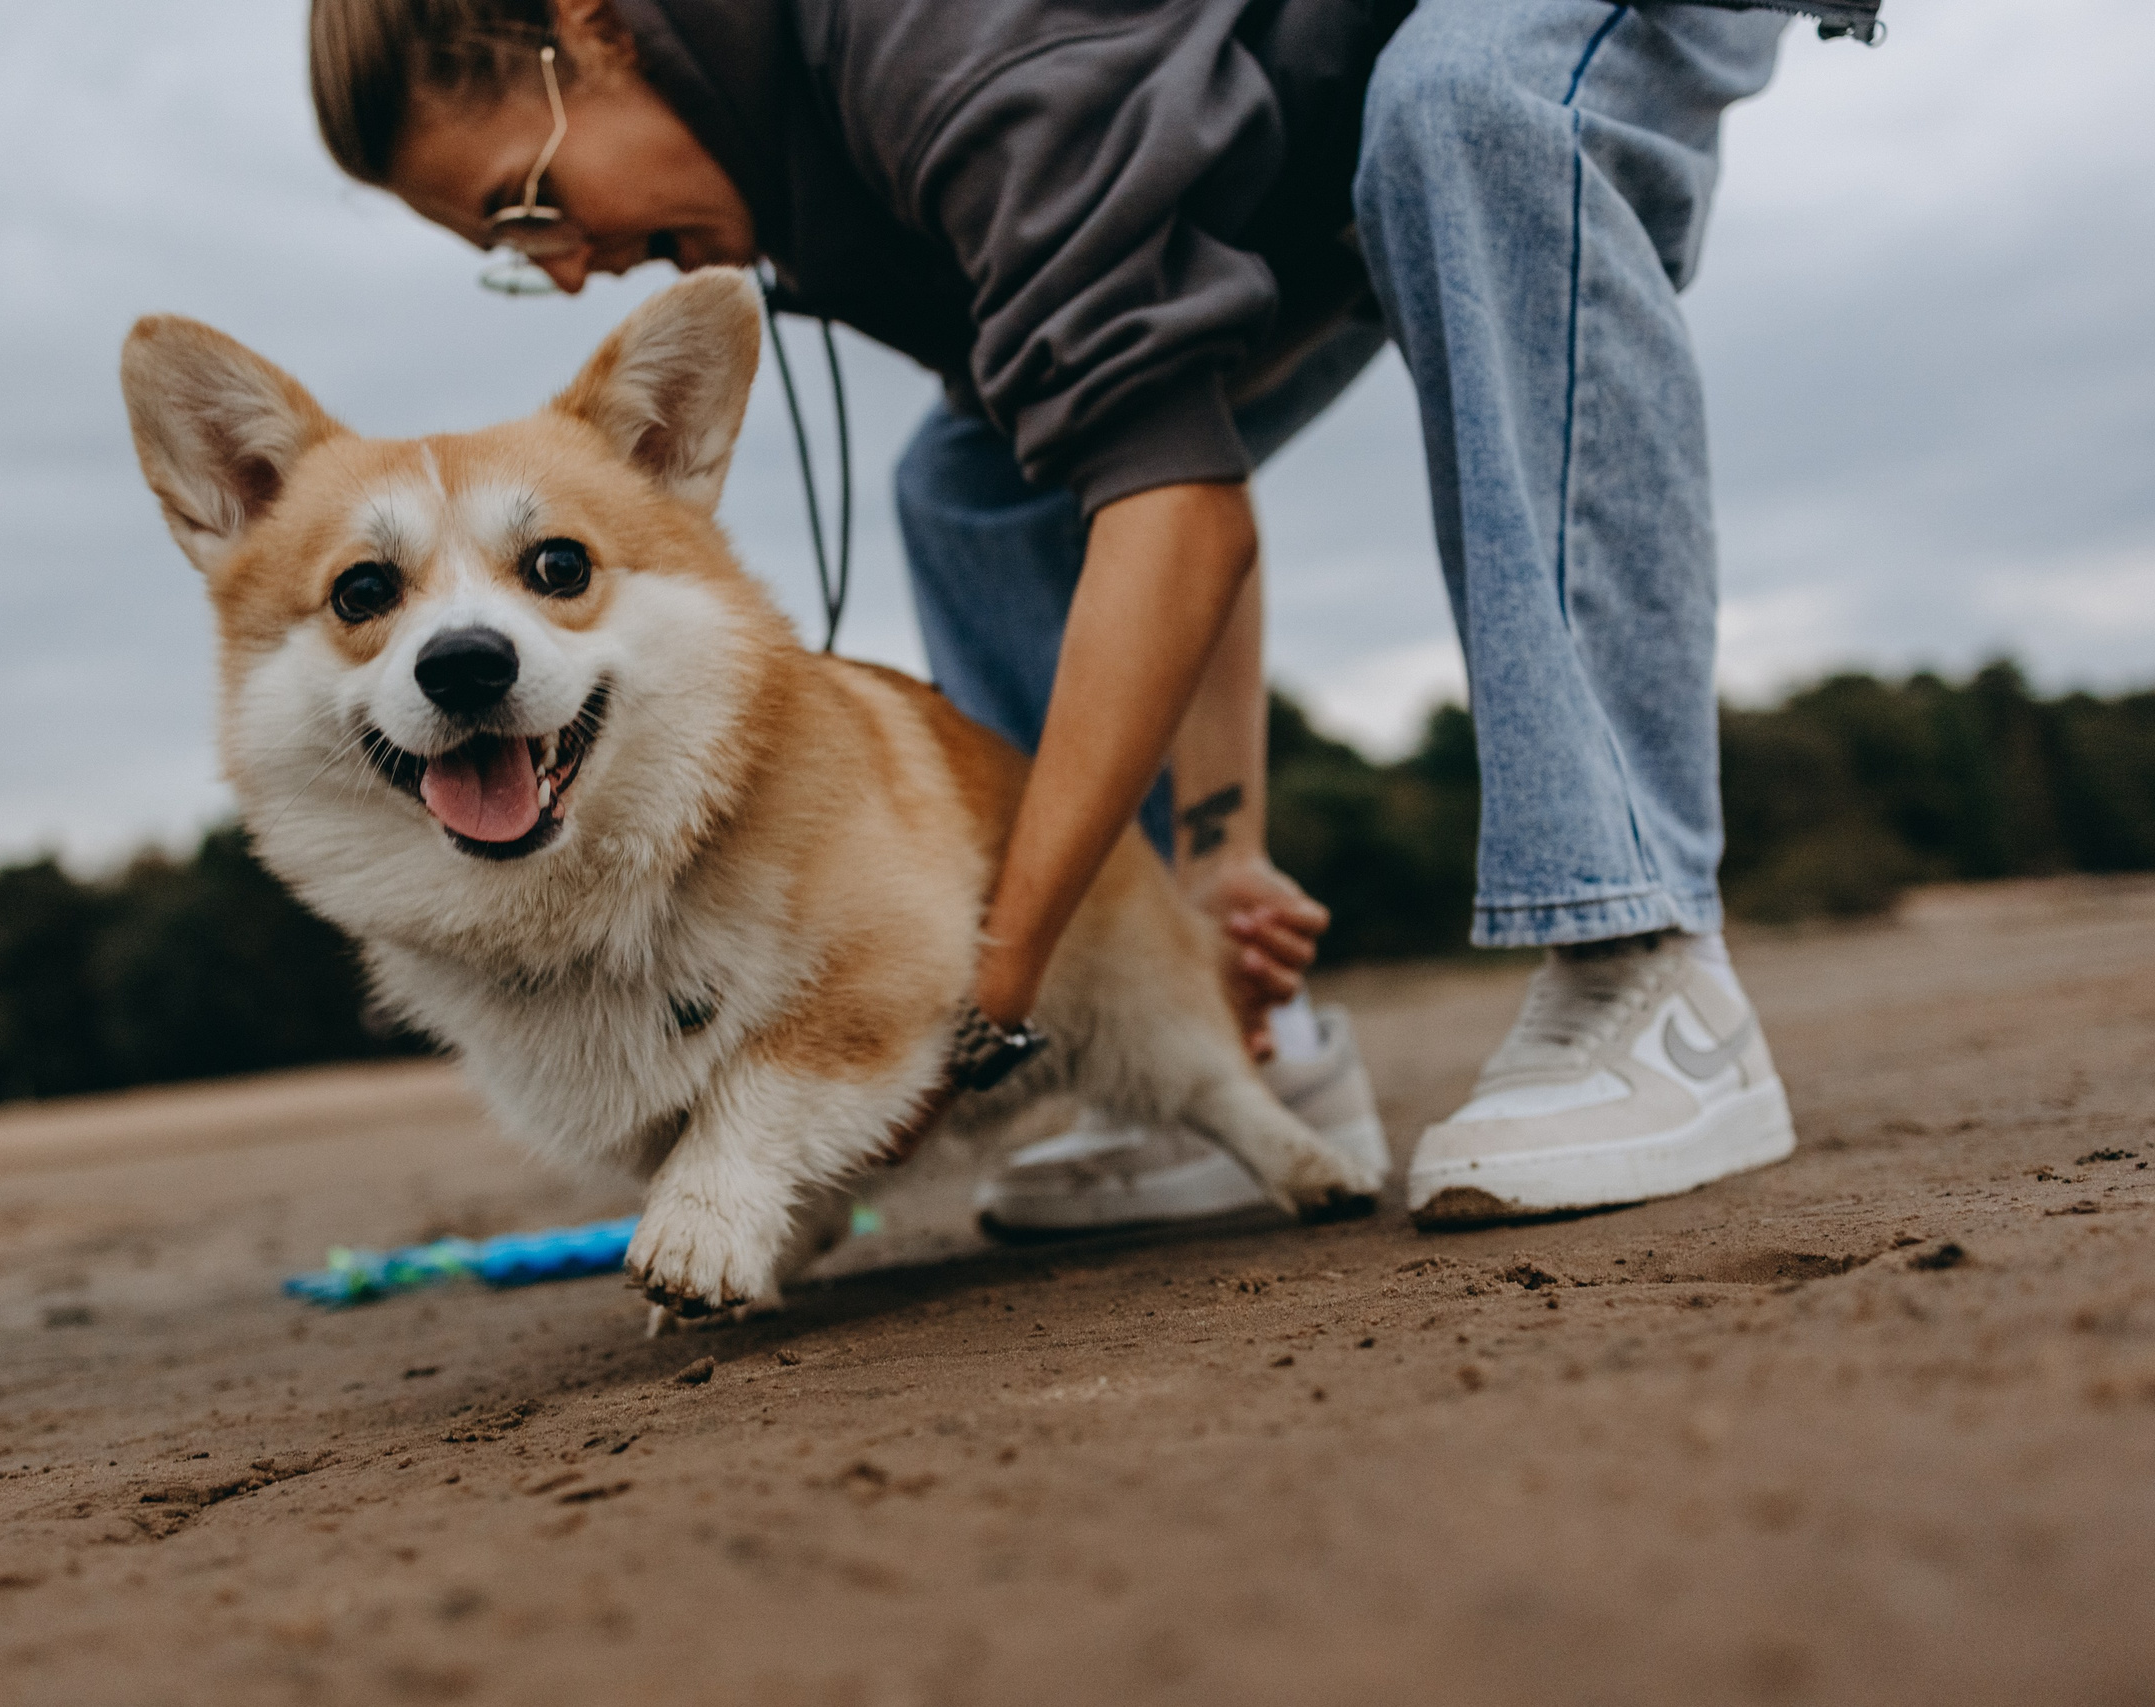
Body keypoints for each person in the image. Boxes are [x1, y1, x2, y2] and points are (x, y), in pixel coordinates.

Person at [308, 0, 1874, 1230]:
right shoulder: (812, 175)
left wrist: (982, 980)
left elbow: (1171, 515)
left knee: (1469, 111)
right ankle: (1223, 1060)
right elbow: (1168, 452)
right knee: (979, 482)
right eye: (512, 262)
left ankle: (1645, 965)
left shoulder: (938, 66)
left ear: (589, 27)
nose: (567, 271)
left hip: (1423, 62)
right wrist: (1220, 859)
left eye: (528, 207)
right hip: (1298, 134)